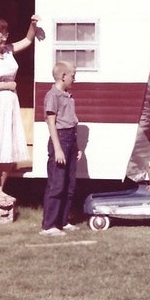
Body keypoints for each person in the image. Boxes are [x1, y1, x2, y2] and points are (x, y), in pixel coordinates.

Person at [0, 15, 41, 209]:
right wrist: (7, 85)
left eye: (5, 35)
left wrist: (32, 25)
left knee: (8, 147)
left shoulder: (9, 51)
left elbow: (28, 40)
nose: (4, 39)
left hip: (9, 105)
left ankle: (0, 188)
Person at [40, 61, 82, 236]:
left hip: (70, 140)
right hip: (60, 140)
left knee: (69, 185)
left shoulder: (67, 95)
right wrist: (57, 149)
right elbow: (51, 123)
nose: (75, 78)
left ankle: (63, 221)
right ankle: (49, 226)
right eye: (72, 75)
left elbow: (72, 123)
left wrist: (77, 146)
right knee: (56, 184)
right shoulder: (53, 95)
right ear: (63, 76)